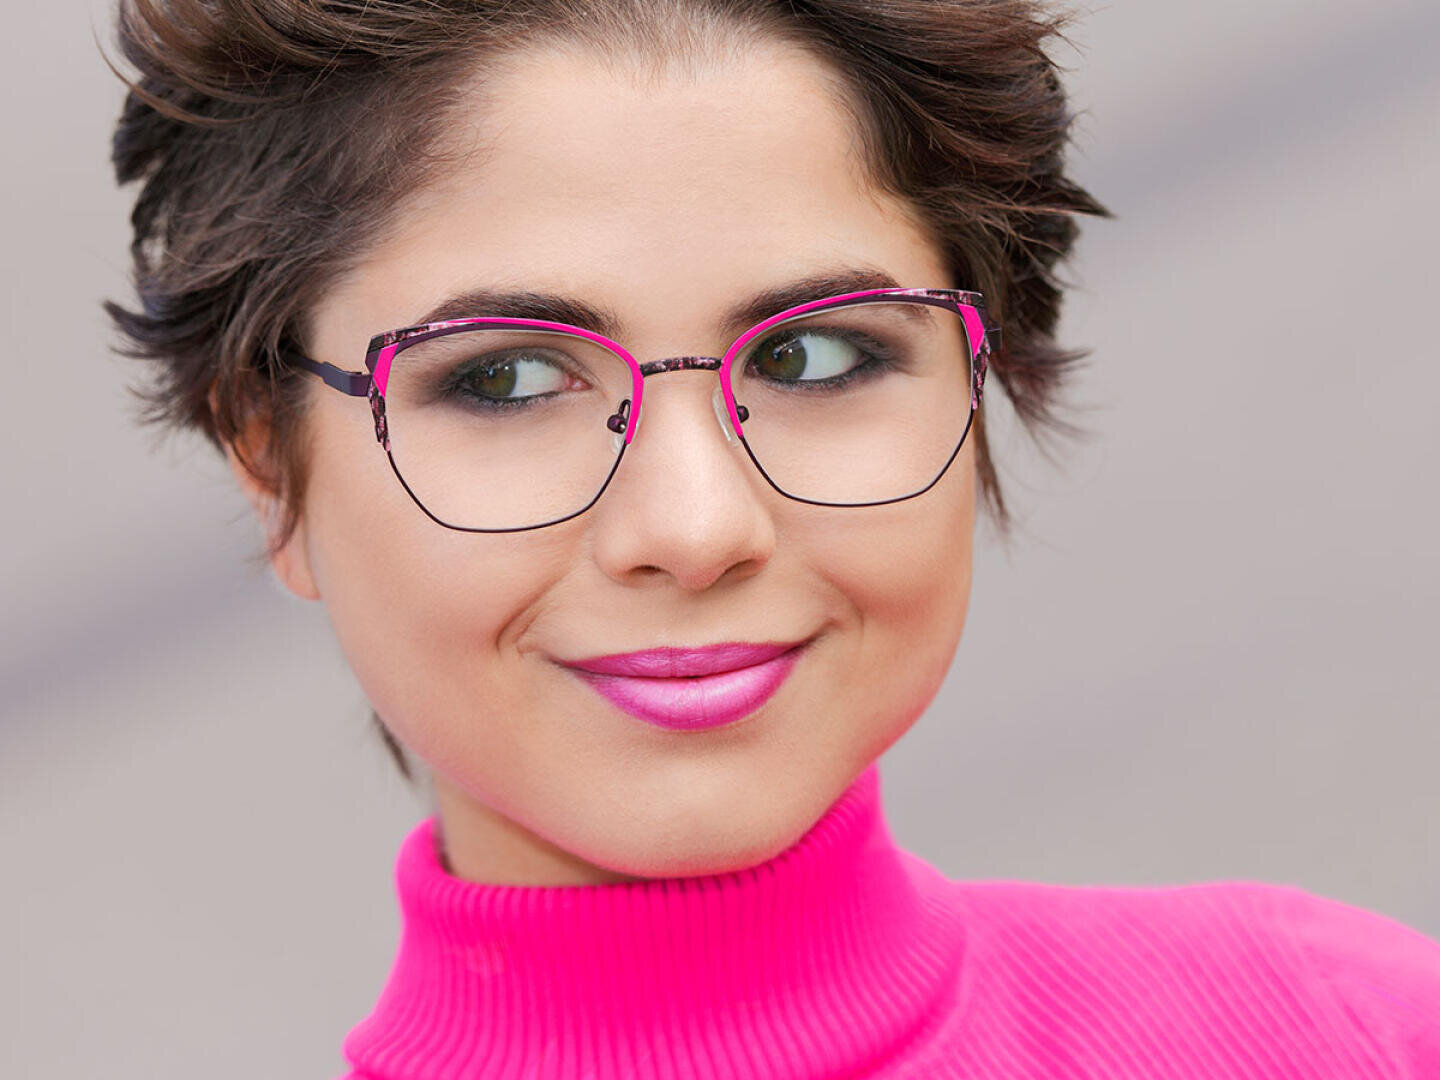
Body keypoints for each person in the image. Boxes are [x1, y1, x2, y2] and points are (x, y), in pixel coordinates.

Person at [104, 1, 1440, 1076]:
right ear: (271, 469)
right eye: (506, 378)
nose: (695, 528)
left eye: (814, 356)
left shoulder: (1336, 1033)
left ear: (983, 378)